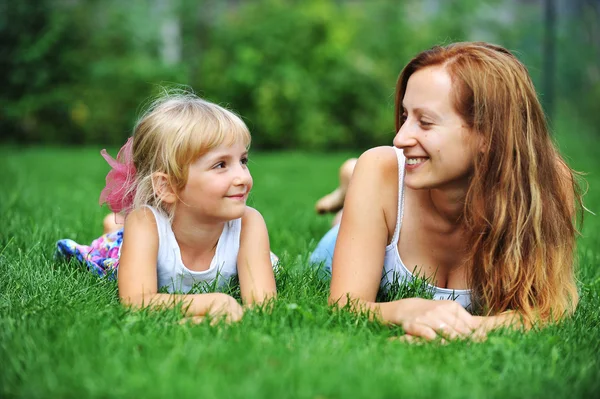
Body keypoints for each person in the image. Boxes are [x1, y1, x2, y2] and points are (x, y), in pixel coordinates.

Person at [311, 42, 583, 341]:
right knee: (356, 193)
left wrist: (463, 329)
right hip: (353, 234)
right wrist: (409, 310)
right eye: (404, 116)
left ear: (488, 135)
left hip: (385, 197)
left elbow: (545, 311)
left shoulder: (546, 185)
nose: (400, 138)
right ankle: (348, 188)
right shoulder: (379, 169)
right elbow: (345, 306)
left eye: (425, 122)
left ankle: (348, 187)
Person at [57, 92, 278, 323]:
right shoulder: (145, 223)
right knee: (117, 246)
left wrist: (201, 321)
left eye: (243, 161)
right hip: (138, 241)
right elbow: (136, 301)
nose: (242, 177)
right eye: (221, 164)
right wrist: (215, 303)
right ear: (167, 186)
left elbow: (263, 307)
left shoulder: (249, 224)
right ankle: (113, 230)